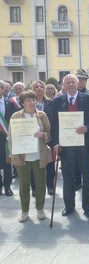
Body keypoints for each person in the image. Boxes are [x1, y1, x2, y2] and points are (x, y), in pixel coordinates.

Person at [51, 74, 89, 217]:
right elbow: (54, 125)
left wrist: (87, 128)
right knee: (68, 177)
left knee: (88, 177)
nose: (71, 84)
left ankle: (88, 207)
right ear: (63, 85)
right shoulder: (57, 101)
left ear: (78, 84)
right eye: (68, 82)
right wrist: (55, 143)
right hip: (66, 146)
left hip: (85, 144)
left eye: (73, 82)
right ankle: (69, 206)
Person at [8, 90, 52, 223]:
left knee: (40, 184)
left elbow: (49, 132)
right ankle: (24, 211)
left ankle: (40, 209)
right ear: (22, 103)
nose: (32, 102)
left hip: (39, 154)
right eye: (29, 100)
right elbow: (11, 137)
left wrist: (43, 135)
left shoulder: (42, 115)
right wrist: (15, 155)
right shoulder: (16, 116)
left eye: (34, 100)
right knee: (24, 185)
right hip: (22, 155)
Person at [30, 80, 54, 196]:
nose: (39, 88)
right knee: (33, 163)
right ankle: (34, 188)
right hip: (32, 138)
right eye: (36, 87)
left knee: (49, 163)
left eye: (41, 86)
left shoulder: (51, 102)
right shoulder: (28, 103)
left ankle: (50, 186)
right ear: (32, 89)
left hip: (48, 136)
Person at [0, 80, 13, 196]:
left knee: (7, 162)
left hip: (6, 137)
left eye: (1, 87)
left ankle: (8, 186)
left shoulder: (10, 103)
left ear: (4, 89)